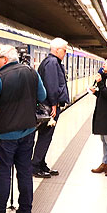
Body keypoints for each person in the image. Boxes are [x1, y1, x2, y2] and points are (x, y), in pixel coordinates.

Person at [0, 44, 46, 213]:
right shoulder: (32, 73)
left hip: (5, 134)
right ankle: (25, 211)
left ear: (5, 59)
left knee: (3, 172)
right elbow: (42, 95)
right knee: (24, 171)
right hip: (28, 131)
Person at [31, 37, 70, 178]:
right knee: (45, 136)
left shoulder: (52, 62)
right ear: (57, 50)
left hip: (48, 105)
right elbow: (51, 85)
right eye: (64, 50)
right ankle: (35, 166)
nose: (65, 53)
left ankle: (41, 163)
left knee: (46, 135)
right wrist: (54, 103)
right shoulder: (52, 63)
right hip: (49, 106)